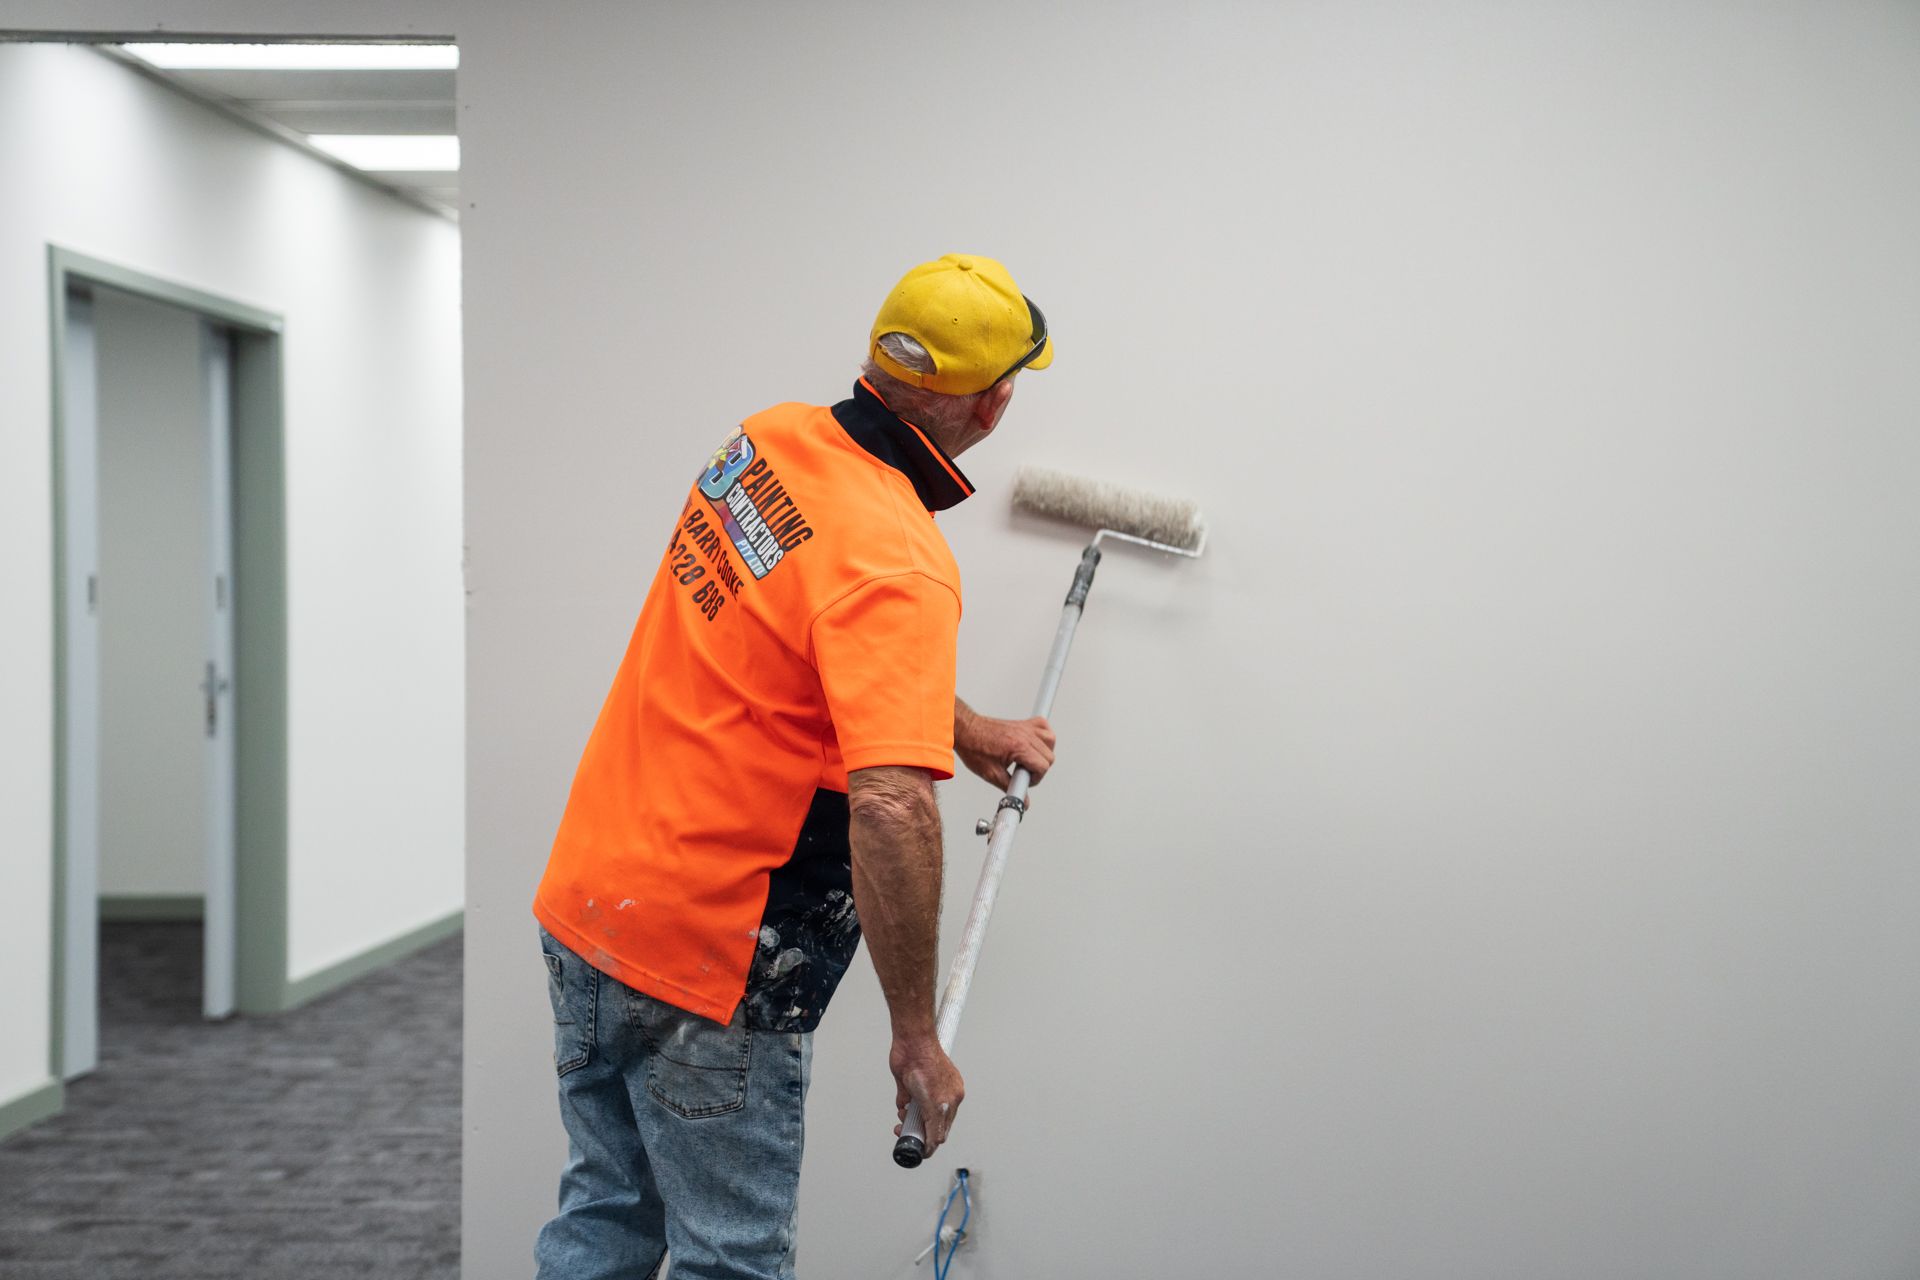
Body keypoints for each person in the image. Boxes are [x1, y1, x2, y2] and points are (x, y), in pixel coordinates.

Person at [531, 254, 1058, 1279]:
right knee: (730, 1261)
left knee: (606, 1217)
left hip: (593, 904)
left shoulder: (769, 439)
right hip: (707, 960)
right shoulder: (900, 560)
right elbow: (893, 806)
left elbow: (798, 632)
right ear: (992, 406)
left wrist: (960, 724)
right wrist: (915, 1033)